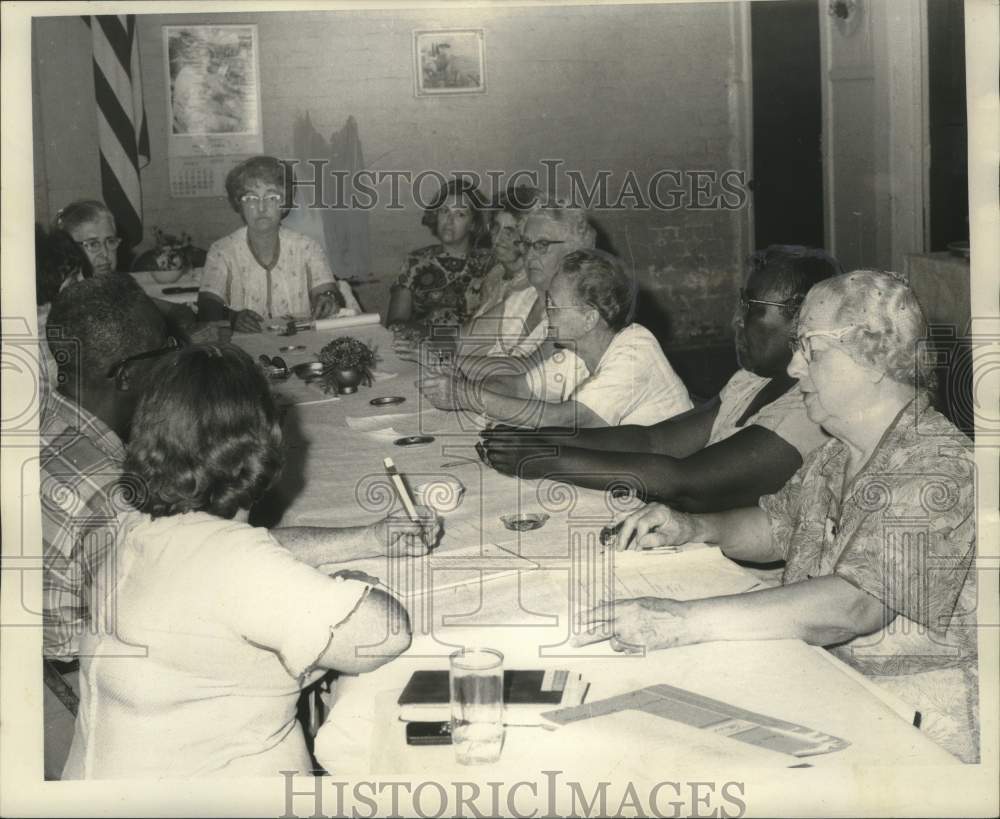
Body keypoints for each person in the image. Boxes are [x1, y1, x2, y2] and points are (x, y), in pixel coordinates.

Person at [39, 277, 438, 777]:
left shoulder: (141, 526)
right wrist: (343, 587)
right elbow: (384, 634)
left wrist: (367, 538)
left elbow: (213, 566)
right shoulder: (230, 559)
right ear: (266, 450)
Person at [584, 271, 978, 763]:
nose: (794, 367)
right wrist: (697, 527)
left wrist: (683, 620)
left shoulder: (940, 466)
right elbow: (777, 527)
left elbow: (854, 606)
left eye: (811, 349)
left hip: (914, 733)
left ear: (875, 358)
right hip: (828, 687)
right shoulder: (837, 454)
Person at [478, 245, 841, 511]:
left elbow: (685, 482)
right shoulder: (751, 381)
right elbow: (654, 440)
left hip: (744, 574)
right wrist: (535, 438)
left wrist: (545, 459)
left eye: (753, 309)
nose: (736, 320)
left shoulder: (808, 413)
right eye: (740, 303)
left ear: (805, 320)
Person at [419, 249, 693, 428]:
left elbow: (562, 420)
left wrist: (466, 396)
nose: (546, 312)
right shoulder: (578, 349)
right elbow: (518, 387)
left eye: (554, 305)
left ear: (589, 318)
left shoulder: (635, 352)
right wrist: (462, 382)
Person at [198, 155, 355, 333]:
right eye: (251, 199)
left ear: (285, 203)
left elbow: (327, 291)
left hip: (301, 344)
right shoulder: (222, 250)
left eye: (271, 197)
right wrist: (232, 317)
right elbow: (206, 306)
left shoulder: (307, 247)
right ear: (239, 205)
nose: (261, 207)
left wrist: (328, 298)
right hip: (243, 348)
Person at [54, 200, 197, 336]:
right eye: (92, 244)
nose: (105, 254)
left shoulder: (114, 284)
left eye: (110, 241)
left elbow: (177, 312)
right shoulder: (70, 300)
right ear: (68, 249)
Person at [386, 177, 493, 334]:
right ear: (436, 215)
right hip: (418, 348)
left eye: (460, 214)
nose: (449, 221)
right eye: (444, 211)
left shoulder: (489, 263)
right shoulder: (415, 262)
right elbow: (395, 323)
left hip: (469, 351)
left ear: (473, 224)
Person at [464, 185, 538, 333]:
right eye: (496, 228)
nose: (497, 239)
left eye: (509, 232)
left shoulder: (533, 285)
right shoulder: (495, 274)